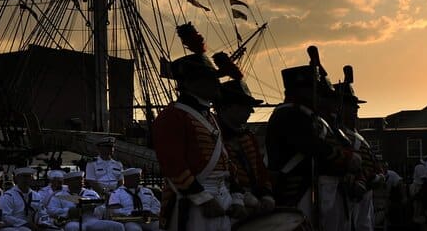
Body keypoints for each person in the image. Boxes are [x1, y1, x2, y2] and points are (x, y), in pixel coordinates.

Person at [151, 23, 245, 231]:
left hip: (221, 197)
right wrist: (201, 198)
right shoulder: (172, 117)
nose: (216, 84)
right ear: (190, 83)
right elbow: (173, 165)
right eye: (210, 79)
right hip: (193, 202)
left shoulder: (209, 117)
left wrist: (237, 196)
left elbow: (226, 161)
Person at [266, 55, 361, 230]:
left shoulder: (309, 115)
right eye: (314, 90)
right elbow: (310, 145)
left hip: (314, 187)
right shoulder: (289, 113)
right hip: (297, 189)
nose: (319, 96)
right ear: (301, 91)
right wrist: (345, 158)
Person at [212, 73, 275, 221]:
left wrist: (266, 195)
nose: (251, 111)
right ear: (227, 107)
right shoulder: (213, 136)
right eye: (244, 106)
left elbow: (260, 171)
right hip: (228, 205)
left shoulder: (247, 136)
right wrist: (242, 198)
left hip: (254, 202)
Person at [335, 68, 382, 231]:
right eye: (350, 105)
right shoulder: (338, 134)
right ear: (339, 107)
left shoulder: (356, 135)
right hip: (349, 193)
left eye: (355, 106)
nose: (356, 109)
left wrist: (378, 174)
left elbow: (372, 163)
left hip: (365, 192)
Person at [44, 171, 121, 231]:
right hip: (72, 221)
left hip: (91, 220)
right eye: (77, 179)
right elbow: (51, 210)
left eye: (82, 178)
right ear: (67, 182)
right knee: (73, 227)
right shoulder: (58, 196)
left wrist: (93, 208)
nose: (81, 180)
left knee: (118, 226)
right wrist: (70, 211)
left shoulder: (91, 193)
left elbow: (102, 209)